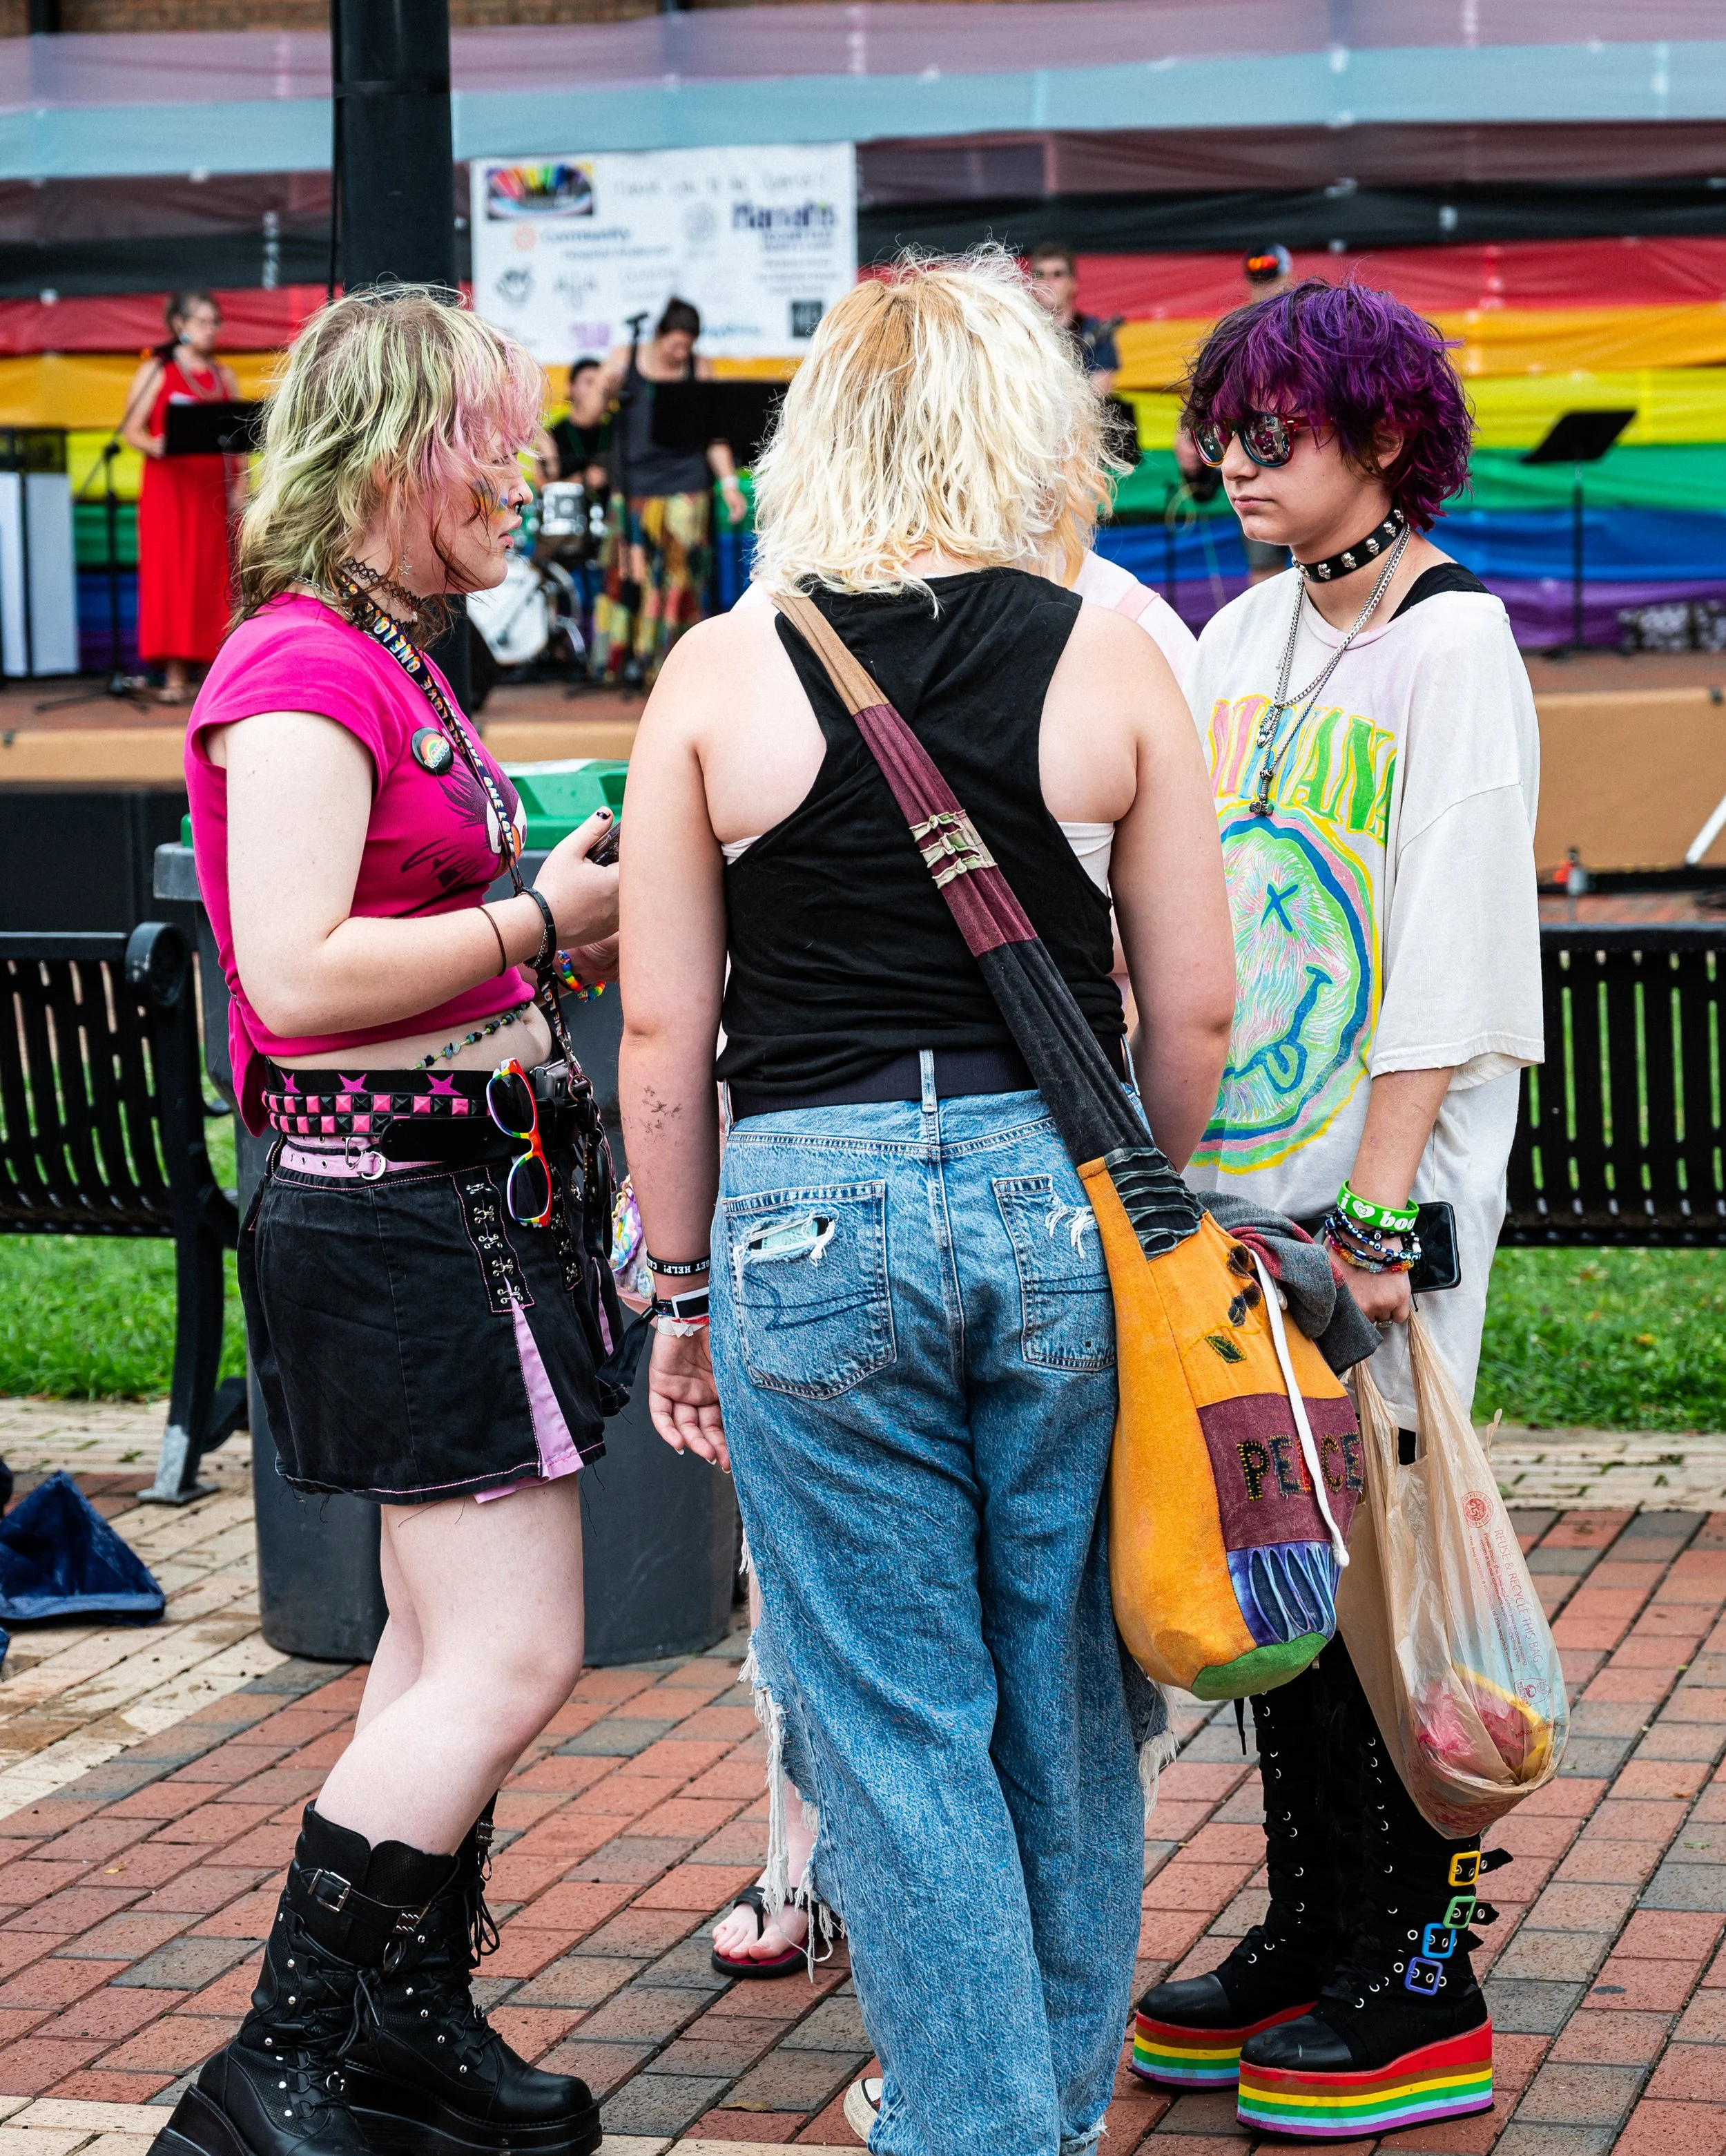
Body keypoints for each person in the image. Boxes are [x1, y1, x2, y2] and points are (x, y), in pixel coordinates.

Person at [617, 252, 1236, 2156]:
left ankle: (976, 2133)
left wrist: (678, 1287)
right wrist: (1161, 1214)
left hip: (804, 1212)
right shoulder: (1110, 650)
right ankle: (1021, 2115)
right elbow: (1195, 999)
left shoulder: (721, 669)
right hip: (1055, 1201)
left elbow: (661, 1027)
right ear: (1023, 425)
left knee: (886, 1722)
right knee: (1063, 1694)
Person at [155, 286, 621, 2156]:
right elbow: (297, 971)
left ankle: (398, 2026)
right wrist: (543, 923)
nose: (522, 472)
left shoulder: (389, 661)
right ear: (389, 453)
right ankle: (275, 2065)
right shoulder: (300, 675)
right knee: (508, 1659)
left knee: (444, 1658)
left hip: (443, 1204)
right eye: (489, 437)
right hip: (406, 1216)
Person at [1133, 278, 1540, 2135]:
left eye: (1268, 433)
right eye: (1218, 429)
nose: (1229, 462)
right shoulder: (1232, 638)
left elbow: (1452, 959)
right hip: (1243, 1203)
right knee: (1279, 1568)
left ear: (1378, 435)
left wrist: (1375, 1221)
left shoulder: (1452, 645)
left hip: (1376, 1210)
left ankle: (1419, 1966)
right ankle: (1316, 1922)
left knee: (1387, 1584)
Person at [592, 298, 747, 686]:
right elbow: (589, 416)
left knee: (681, 578)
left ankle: (674, 667)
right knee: (629, 576)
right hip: (634, 489)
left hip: (686, 486)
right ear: (659, 335)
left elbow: (714, 435)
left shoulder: (699, 369)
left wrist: (729, 486)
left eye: (687, 346)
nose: (681, 353)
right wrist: (603, 388)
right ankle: (625, 665)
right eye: (675, 345)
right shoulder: (623, 359)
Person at [122, 290, 244, 704]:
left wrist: (240, 487)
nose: (211, 329)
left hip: (211, 491)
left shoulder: (225, 376)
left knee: (214, 578)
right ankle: (174, 677)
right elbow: (130, 430)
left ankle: (217, 678)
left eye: (215, 321)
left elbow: (237, 440)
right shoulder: (157, 369)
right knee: (172, 576)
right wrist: (163, 445)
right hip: (169, 491)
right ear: (180, 326)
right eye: (203, 321)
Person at [1028, 239, 1119, 394]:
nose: (1048, 281)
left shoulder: (1094, 329)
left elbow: (1099, 393)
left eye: (1057, 274)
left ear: (1073, 283)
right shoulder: (1023, 331)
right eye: (1039, 274)